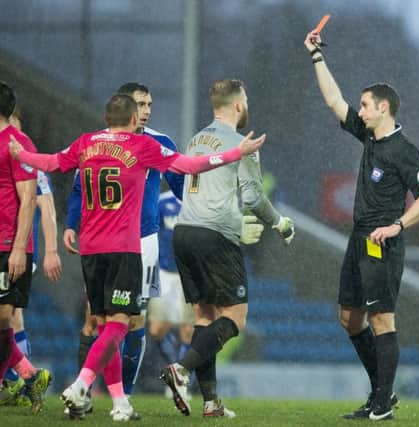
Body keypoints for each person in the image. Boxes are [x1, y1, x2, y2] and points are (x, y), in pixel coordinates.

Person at [9, 93, 265, 421]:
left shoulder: (85, 143)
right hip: (123, 250)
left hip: (90, 251)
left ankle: (120, 403)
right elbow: (190, 165)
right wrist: (235, 153)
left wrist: (22, 153)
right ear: (133, 120)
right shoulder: (141, 146)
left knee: (102, 325)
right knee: (121, 324)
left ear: (106, 119)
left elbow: (52, 162)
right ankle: (81, 384)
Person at [304, 31, 419, 420]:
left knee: (381, 319)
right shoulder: (369, 137)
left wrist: (397, 226)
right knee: (349, 319)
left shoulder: (405, 151)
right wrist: (315, 56)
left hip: (382, 240)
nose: (359, 110)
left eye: (365, 105)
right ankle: (385, 393)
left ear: (383, 108)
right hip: (359, 237)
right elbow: (333, 100)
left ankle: (380, 402)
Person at [160, 79, 294, 418]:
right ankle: (182, 369)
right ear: (237, 105)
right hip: (214, 236)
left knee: (205, 318)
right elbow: (252, 196)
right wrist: (279, 222)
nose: (247, 104)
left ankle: (211, 403)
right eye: (246, 98)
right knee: (235, 318)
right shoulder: (241, 143)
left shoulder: (195, 140)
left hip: (184, 233)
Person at [63, 82, 185, 409]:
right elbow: (77, 190)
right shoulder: (95, 144)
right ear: (124, 108)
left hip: (143, 243)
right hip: (101, 240)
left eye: (149, 104)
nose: (146, 110)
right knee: (95, 319)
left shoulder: (160, 143)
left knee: (133, 323)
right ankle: (85, 394)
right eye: (140, 104)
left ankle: (122, 397)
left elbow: (182, 186)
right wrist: (71, 224)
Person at [1, 107, 61, 408]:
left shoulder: (25, 158)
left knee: (9, 318)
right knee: (12, 320)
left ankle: (22, 380)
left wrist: (50, 250)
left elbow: (46, 208)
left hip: (15, 248)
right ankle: (28, 376)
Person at [147, 190, 194, 399]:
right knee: (157, 330)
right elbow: (150, 232)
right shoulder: (162, 201)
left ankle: (180, 379)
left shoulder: (198, 202)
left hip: (189, 274)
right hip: (164, 273)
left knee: (188, 331)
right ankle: (173, 371)